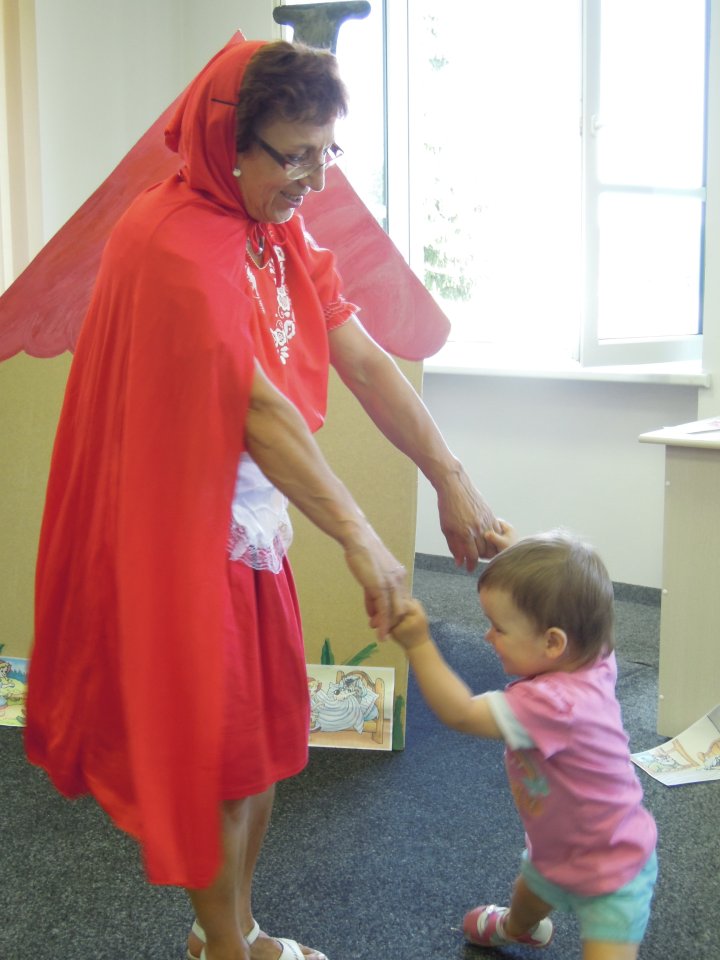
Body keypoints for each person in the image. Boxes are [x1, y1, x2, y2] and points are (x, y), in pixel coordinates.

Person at [24, 36, 500, 960]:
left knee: (264, 748)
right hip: (180, 538)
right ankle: (225, 946)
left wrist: (451, 475)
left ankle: (234, 931)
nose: (313, 180)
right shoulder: (170, 241)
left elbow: (361, 355)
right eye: (295, 157)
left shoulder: (272, 228)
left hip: (246, 527)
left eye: (327, 154)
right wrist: (361, 536)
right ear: (228, 144)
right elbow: (259, 410)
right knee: (215, 762)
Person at [391, 524, 658, 960]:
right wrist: (517, 557)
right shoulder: (594, 656)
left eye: (498, 628)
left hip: (614, 872)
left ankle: (519, 926)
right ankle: (517, 929)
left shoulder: (551, 704)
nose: (487, 637)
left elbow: (460, 713)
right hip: (554, 851)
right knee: (529, 896)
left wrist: (419, 644)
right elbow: (572, 602)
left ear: (553, 642)